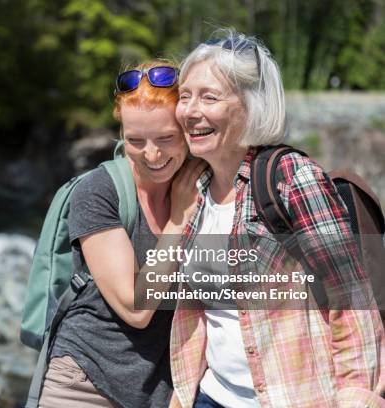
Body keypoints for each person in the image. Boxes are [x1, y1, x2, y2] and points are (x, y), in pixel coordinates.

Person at [169, 30, 385, 407]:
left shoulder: (289, 178)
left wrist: (356, 397)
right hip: (209, 396)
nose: (189, 110)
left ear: (251, 104)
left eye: (209, 97)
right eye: (184, 96)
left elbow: (350, 298)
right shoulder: (194, 188)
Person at [37, 61, 206, 408]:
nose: (153, 154)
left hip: (166, 392)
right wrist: (178, 221)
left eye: (166, 138)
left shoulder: (208, 187)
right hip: (84, 383)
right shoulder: (98, 192)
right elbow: (136, 307)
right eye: (135, 140)